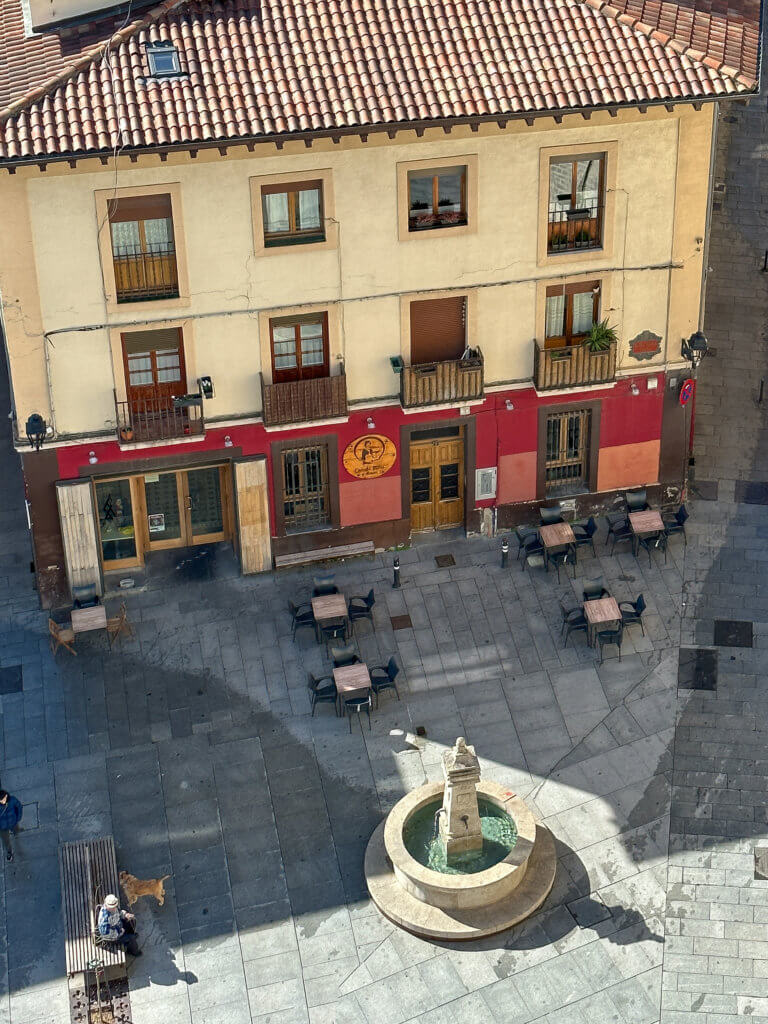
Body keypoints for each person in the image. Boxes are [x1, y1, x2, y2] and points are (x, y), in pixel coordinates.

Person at [0, 790, 22, 862]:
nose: (1, 802)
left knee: (16, 831)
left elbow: (19, 806)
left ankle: (16, 834)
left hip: (13, 822)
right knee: (6, 841)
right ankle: (9, 852)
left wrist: (18, 818)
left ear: (6, 796)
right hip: (2, 827)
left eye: (2, 800)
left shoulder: (12, 800)